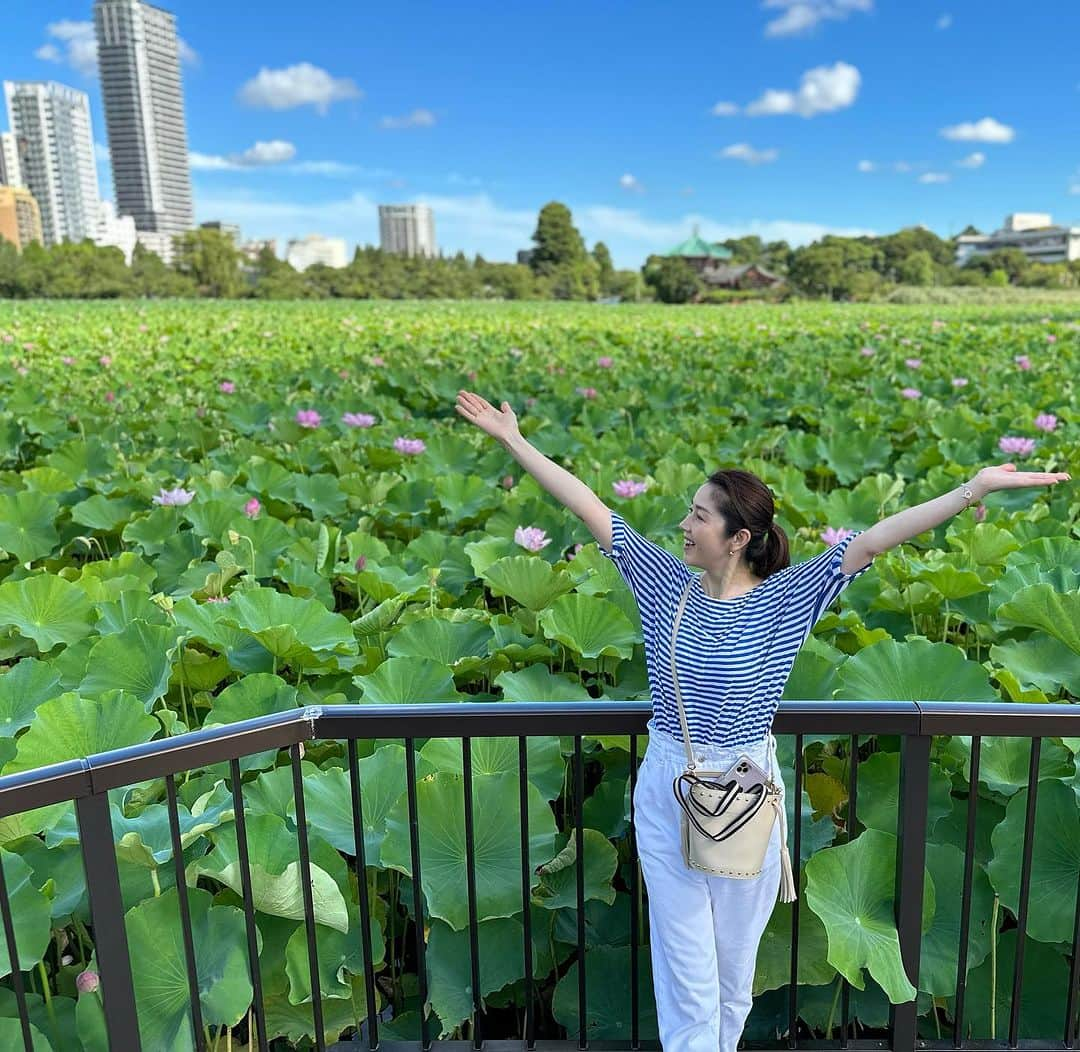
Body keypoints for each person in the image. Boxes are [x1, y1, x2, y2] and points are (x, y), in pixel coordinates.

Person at [454, 387, 1071, 1050]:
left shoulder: (786, 599)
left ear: (738, 537)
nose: (684, 526)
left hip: (747, 787)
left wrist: (971, 489)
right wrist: (513, 441)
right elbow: (587, 505)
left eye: (698, 516)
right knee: (685, 967)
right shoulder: (665, 582)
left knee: (731, 975)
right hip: (670, 780)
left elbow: (876, 539)